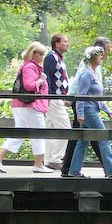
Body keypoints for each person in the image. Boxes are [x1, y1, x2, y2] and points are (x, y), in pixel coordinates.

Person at [0, 41, 52, 174]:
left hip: (21, 105)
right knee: (39, 133)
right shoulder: (30, 67)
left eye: (43, 54)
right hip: (30, 106)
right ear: (33, 53)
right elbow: (29, 86)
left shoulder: (28, 66)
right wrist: (41, 80)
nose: (42, 57)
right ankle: (38, 164)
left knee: (20, 133)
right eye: (40, 54)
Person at [68, 46, 112, 178]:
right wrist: (80, 114)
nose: (101, 58)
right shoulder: (86, 74)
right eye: (99, 56)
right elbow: (81, 95)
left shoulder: (93, 73)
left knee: (83, 141)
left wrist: (107, 110)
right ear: (93, 58)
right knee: (103, 137)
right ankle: (111, 170)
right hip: (89, 111)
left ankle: (74, 171)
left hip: (93, 109)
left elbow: (97, 96)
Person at [61, 36, 111, 177]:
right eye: (107, 50)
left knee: (81, 137)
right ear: (99, 51)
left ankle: (71, 170)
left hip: (88, 103)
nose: (107, 54)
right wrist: (71, 99)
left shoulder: (95, 66)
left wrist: (104, 107)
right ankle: (110, 169)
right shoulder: (88, 68)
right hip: (83, 104)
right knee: (94, 136)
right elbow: (78, 82)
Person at [42, 32, 70, 171]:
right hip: (53, 98)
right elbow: (47, 78)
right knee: (66, 129)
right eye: (65, 41)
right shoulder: (51, 58)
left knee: (51, 130)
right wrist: (48, 97)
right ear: (57, 43)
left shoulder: (59, 58)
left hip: (58, 98)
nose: (67, 43)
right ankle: (55, 158)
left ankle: (48, 159)